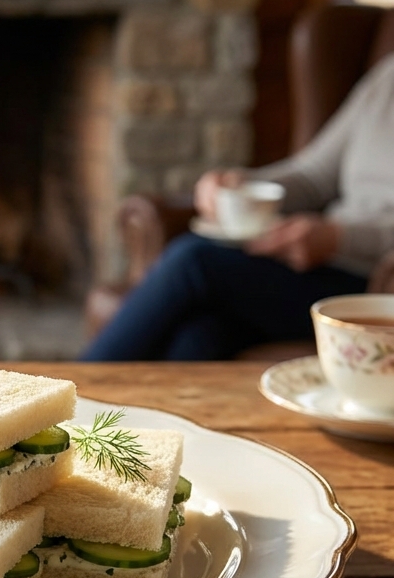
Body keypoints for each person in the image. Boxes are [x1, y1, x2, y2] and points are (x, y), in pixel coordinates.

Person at [82, 51, 394, 361]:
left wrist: (340, 237)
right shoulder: (386, 78)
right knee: (199, 337)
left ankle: (68, 398)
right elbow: (312, 176)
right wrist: (241, 186)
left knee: (193, 260)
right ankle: (105, 410)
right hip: (312, 262)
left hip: (371, 282)